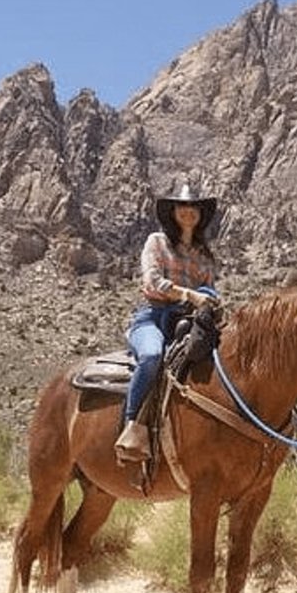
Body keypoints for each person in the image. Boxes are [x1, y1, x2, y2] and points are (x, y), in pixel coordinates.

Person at [114, 183, 220, 465]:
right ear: (173, 211)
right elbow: (152, 281)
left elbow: (210, 290)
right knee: (152, 356)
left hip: (188, 323)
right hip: (153, 316)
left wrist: (211, 301)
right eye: (183, 206)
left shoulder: (205, 255)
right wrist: (189, 294)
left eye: (194, 207)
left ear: (200, 214)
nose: (188, 211)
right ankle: (132, 428)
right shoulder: (157, 242)